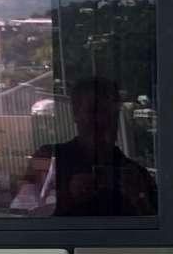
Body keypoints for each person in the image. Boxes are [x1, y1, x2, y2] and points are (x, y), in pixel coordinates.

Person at [20, 75, 155, 216]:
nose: (102, 120)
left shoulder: (134, 174)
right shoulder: (49, 159)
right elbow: (24, 212)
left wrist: (138, 197)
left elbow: (160, 228)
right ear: (75, 113)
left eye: (109, 112)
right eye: (94, 111)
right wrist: (68, 196)